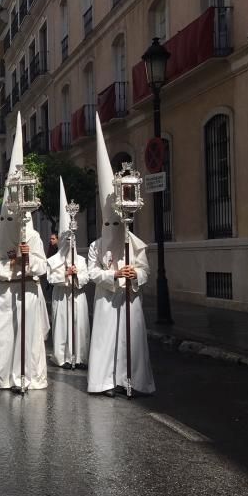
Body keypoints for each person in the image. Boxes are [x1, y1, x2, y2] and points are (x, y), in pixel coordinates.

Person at [0, 114, 50, 393]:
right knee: (0, 336)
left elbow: (43, 266)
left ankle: (27, 377)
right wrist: (10, 265)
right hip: (4, 291)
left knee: (27, 338)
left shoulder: (32, 236)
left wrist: (28, 260)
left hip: (28, 293)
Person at [87, 115, 155, 397]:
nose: (113, 230)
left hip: (129, 300)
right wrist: (114, 274)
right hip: (105, 300)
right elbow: (91, 272)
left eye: (116, 224)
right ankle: (104, 381)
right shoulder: (95, 246)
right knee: (105, 340)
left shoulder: (133, 243)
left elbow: (145, 271)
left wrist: (133, 274)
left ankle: (133, 380)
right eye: (108, 225)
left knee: (131, 341)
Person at [46, 178, 90, 369]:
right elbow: (50, 278)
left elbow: (87, 277)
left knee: (79, 327)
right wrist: (64, 274)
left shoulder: (80, 260)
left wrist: (77, 274)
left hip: (77, 296)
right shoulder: (53, 260)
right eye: (66, 239)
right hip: (62, 297)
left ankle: (79, 357)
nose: (69, 243)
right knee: (62, 325)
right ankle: (62, 356)